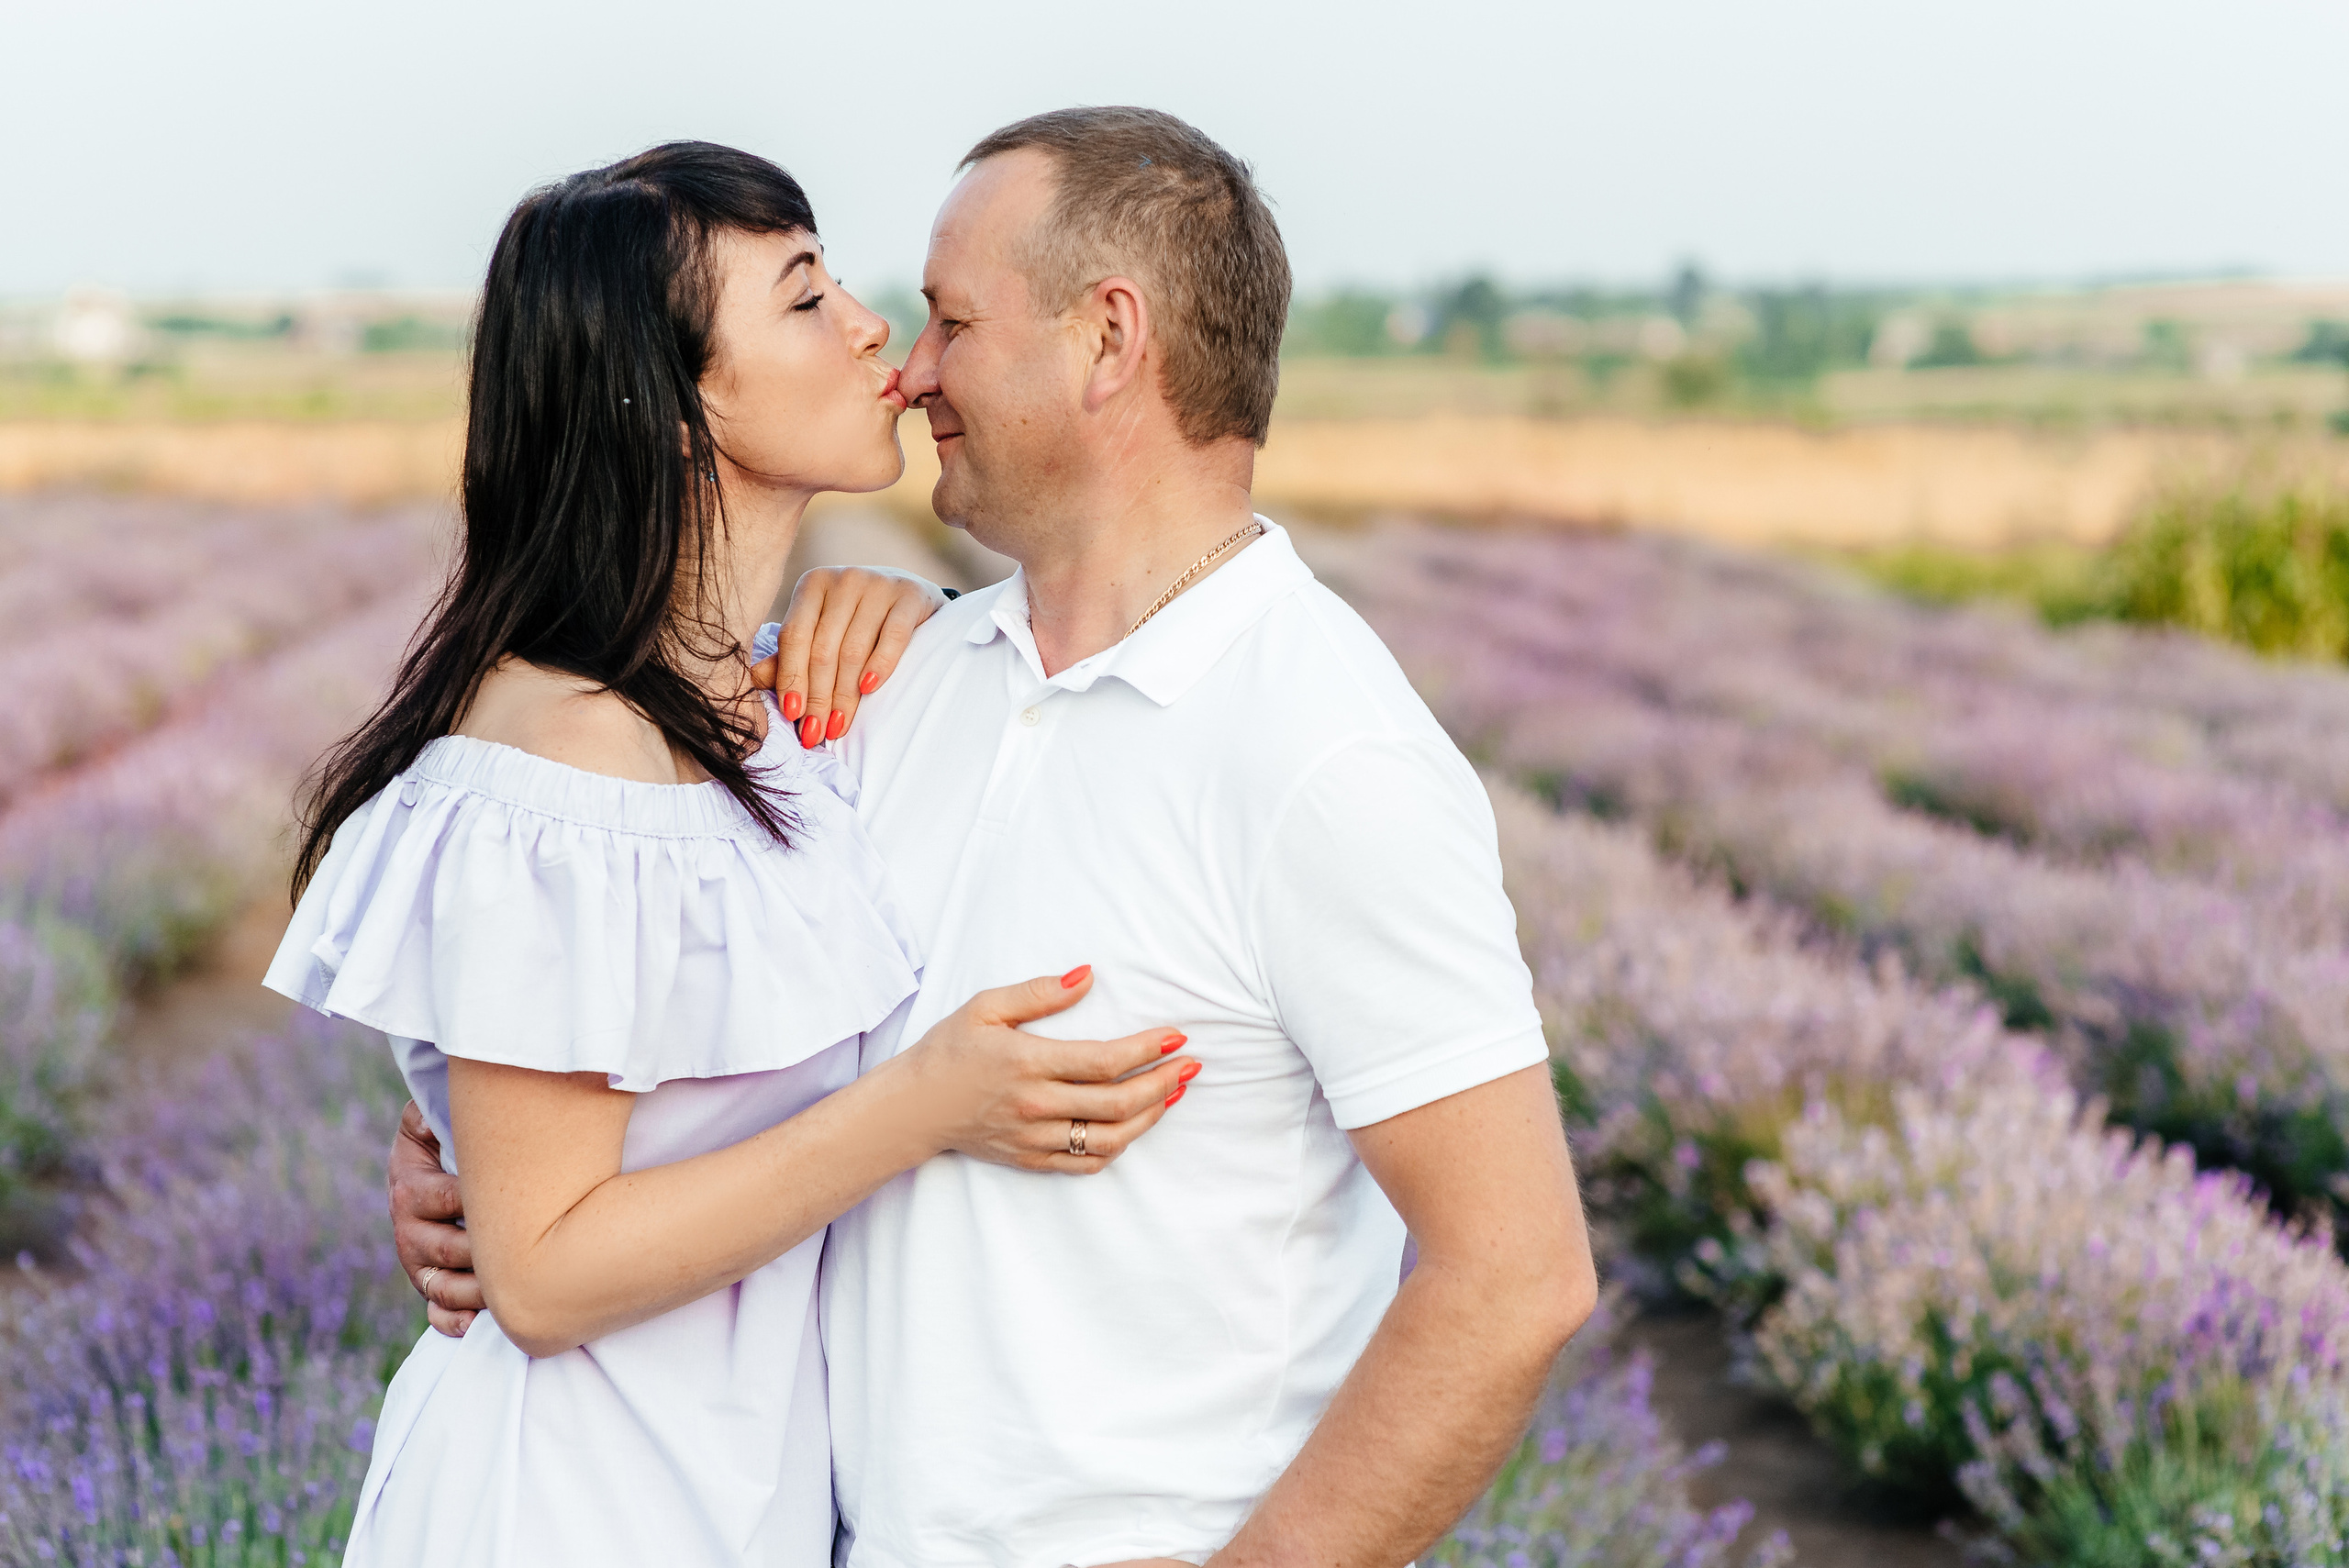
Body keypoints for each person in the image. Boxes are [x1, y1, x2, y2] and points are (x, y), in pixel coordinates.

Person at [394, 108, 1600, 1567]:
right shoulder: (892, 691)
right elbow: (647, 1021)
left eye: (953, 319)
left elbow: (1516, 1273)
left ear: (1108, 340)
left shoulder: (1324, 752)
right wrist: (471, 1161)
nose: (905, 363)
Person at [268, 141, 1199, 1567]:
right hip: (571, 1507)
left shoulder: (756, 709)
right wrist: (927, 1101)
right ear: (682, 390)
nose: (874, 324)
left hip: (730, 1496)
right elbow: (542, 1269)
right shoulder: (564, 759)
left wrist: (911, 612)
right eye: (805, 294)